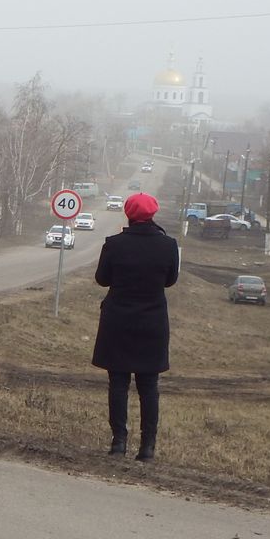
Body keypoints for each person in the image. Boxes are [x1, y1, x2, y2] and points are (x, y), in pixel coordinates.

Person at [92, 192, 179, 461]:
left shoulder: (114, 244)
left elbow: (102, 279)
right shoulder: (168, 246)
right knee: (149, 386)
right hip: (152, 323)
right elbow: (170, 281)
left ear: (128, 214)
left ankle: (119, 442)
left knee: (118, 383)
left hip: (118, 321)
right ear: (153, 214)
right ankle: (147, 448)